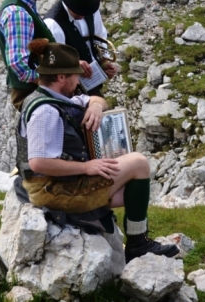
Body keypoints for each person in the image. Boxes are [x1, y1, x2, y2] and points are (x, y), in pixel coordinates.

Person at [16, 39, 179, 263]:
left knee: (134, 190)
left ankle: (137, 240)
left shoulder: (53, 98)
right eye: (75, 75)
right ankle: (137, 244)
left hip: (59, 184)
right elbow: (38, 162)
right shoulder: (46, 112)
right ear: (61, 77)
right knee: (138, 163)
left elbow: (97, 99)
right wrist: (87, 167)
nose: (79, 80)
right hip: (52, 190)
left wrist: (95, 106)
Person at [43, 0, 117, 97]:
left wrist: (104, 62)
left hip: (91, 82)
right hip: (68, 89)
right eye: (78, 11)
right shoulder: (53, 23)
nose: (82, 16)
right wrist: (74, 63)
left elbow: (100, 36)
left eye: (85, 12)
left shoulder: (90, 9)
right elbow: (53, 61)